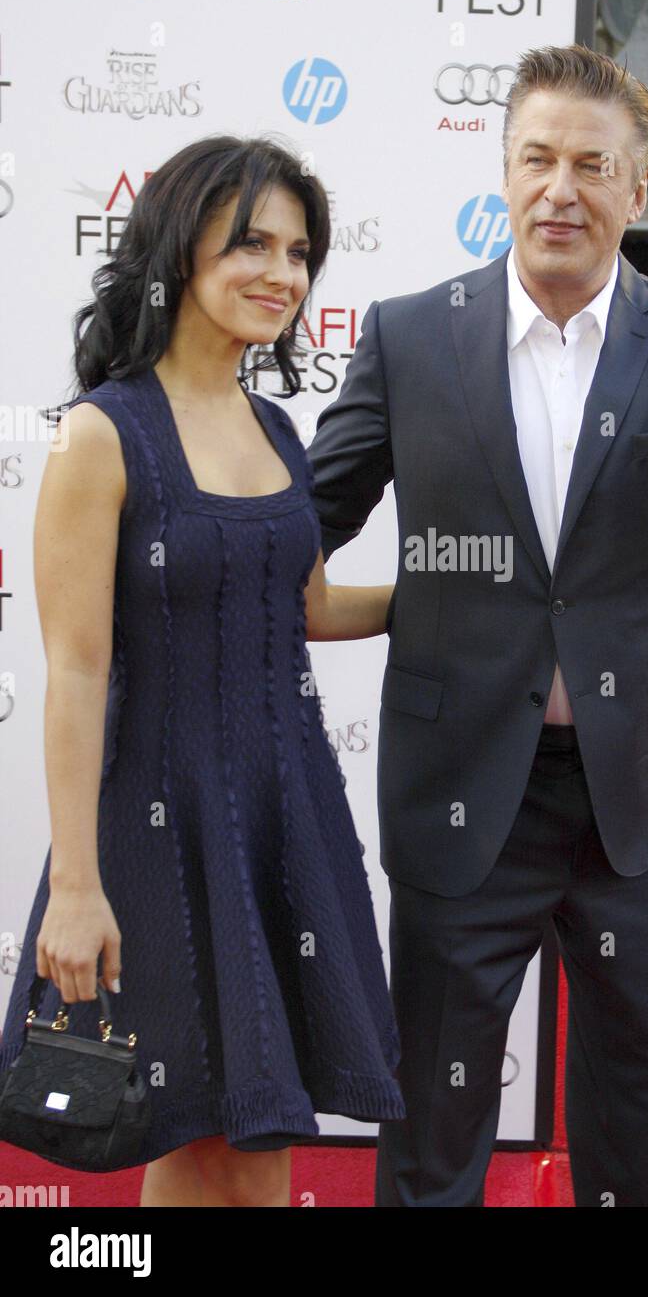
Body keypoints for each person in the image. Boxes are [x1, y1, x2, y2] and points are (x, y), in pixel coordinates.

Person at [307, 43, 648, 1207]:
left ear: (635, 191)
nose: (561, 187)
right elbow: (306, 521)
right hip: (463, 794)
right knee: (434, 1113)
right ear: (502, 171)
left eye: (591, 165)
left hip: (636, 796)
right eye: (537, 158)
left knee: (641, 1101)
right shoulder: (408, 338)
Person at [0, 135, 405, 1207]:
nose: (284, 272)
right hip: (156, 827)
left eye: (300, 251)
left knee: (254, 1130)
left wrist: (445, 606)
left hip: (281, 812)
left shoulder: (274, 425)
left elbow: (309, 608)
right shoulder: (101, 435)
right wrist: (77, 888)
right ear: (183, 251)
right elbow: (77, 674)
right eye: (253, 244)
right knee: (194, 1128)